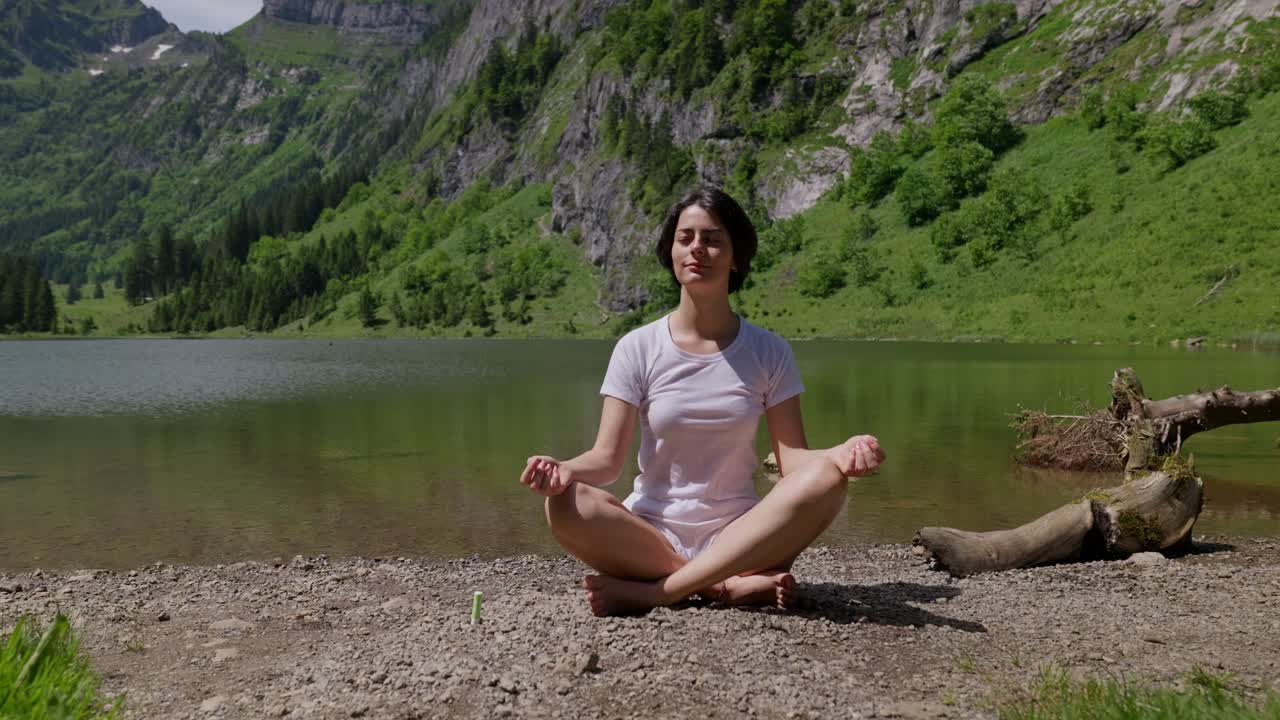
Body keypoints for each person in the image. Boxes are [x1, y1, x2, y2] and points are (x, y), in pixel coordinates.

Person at [519, 186, 885, 616]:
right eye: (685, 238)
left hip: (741, 536)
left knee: (826, 478)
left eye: (712, 239)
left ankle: (660, 592)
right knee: (564, 502)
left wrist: (841, 455)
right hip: (649, 536)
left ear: (736, 257)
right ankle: (722, 586)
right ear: (670, 252)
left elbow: (792, 462)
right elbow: (606, 460)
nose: (698, 249)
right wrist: (563, 470)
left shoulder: (768, 351)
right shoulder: (637, 347)